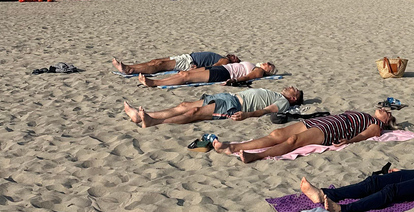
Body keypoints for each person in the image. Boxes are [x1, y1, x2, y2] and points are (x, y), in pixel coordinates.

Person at [212, 108, 397, 163]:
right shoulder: (367, 115)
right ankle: (232, 147)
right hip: (325, 121)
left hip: (333, 130)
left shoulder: (376, 125)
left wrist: (350, 140)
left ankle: (256, 155)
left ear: (387, 120)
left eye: (386, 112)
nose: (383, 109)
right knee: (278, 133)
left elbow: (366, 135)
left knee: (294, 141)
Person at [123, 86, 303, 127]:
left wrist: (247, 115)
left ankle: (153, 122)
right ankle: (141, 116)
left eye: (292, 89)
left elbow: (266, 110)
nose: (289, 87)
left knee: (195, 112)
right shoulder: (278, 94)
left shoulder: (283, 102)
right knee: (185, 105)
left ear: (294, 98)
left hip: (233, 105)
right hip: (229, 96)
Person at [137, 61, 276, 87]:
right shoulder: (255, 65)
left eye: (269, 66)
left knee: (187, 77)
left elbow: (247, 77)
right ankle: (159, 81)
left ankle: (154, 83)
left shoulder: (259, 71)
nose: (266, 64)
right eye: (267, 62)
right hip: (223, 69)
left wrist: (234, 81)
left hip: (224, 74)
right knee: (185, 73)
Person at [112, 51, 239, 75]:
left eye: (236, 59)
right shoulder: (220, 56)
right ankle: (127, 67)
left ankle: (129, 70)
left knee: (158, 65)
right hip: (187, 57)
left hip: (189, 62)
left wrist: (199, 69)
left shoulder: (225, 60)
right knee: (155, 61)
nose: (234, 56)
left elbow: (216, 67)